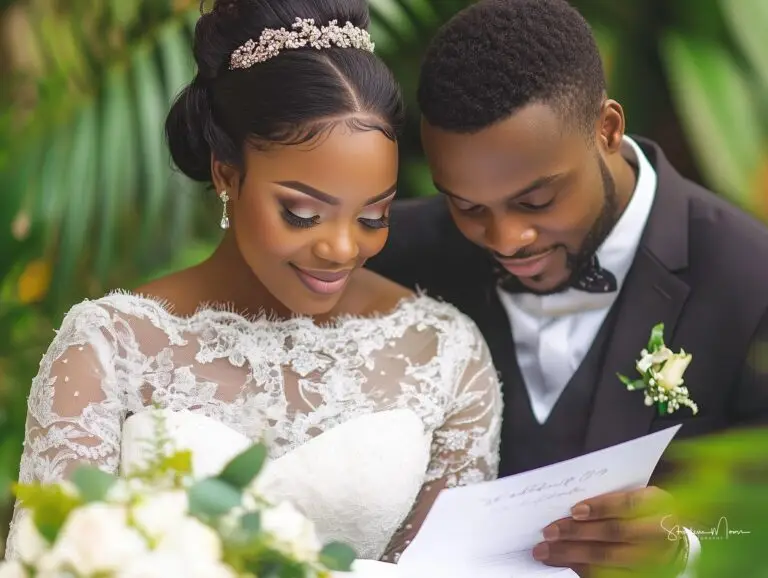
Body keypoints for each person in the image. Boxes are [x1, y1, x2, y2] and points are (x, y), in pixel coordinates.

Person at [4, 0, 503, 568]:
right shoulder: (106, 347)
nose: (342, 249)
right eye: (302, 213)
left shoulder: (443, 353)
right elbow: (47, 562)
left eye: (372, 217)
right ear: (226, 173)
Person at [366, 0, 768, 575]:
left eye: (536, 200)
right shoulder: (392, 255)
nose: (506, 237)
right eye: (468, 205)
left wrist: (688, 543)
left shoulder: (751, 282)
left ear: (606, 129)